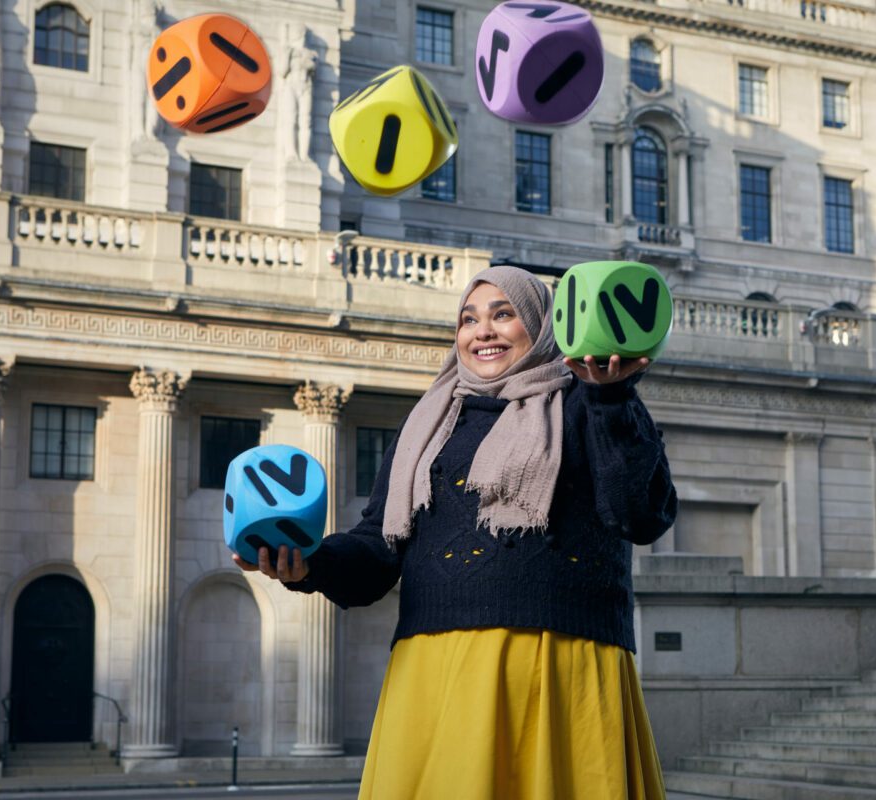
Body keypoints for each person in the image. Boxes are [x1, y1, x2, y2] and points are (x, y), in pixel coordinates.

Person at [234, 266, 677, 799]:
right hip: (433, 669)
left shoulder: (591, 402)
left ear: (542, 325)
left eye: (503, 314)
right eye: (469, 319)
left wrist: (611, 396)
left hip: (558, 666)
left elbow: (639, 515)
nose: (482, 331)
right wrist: (310, 564)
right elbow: (377, 549)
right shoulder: (428, 423)